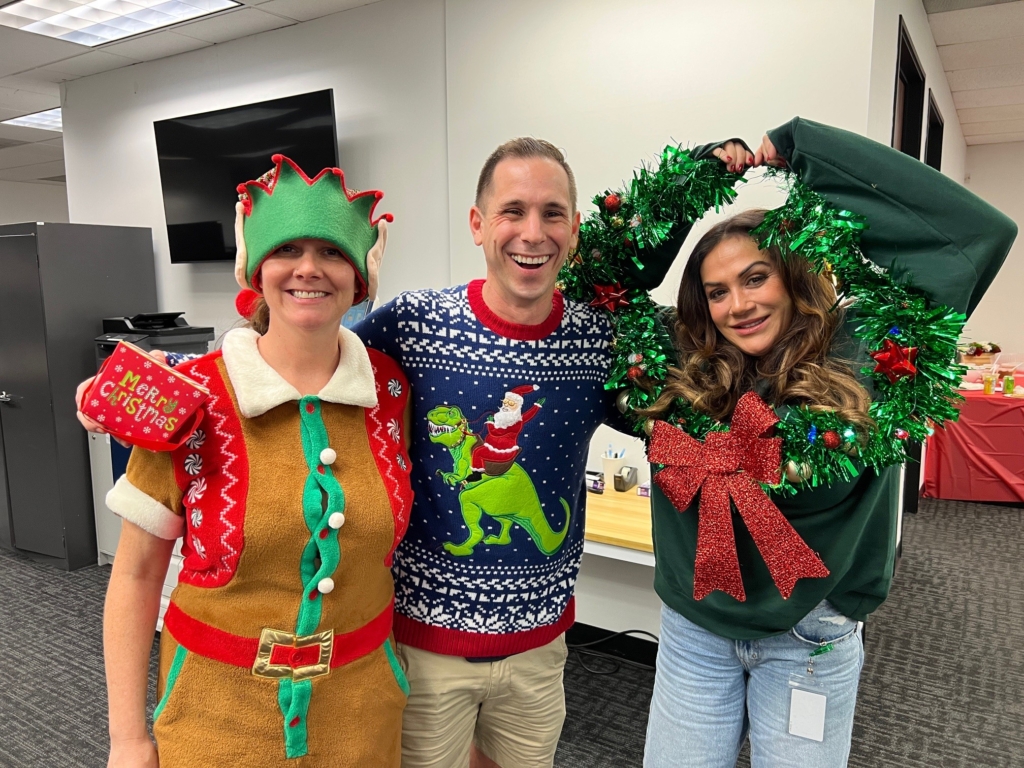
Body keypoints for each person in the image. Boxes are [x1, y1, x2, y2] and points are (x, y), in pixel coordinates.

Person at [352, 135, 746, 768]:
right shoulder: (414, 324)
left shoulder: (598, 338)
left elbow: (692, 407)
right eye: (512, 211)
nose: (532, 233)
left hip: (540, 644)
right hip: (424, 645)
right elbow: (310, 373)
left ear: (575, 228)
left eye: (552, 213)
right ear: (478, 224)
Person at [638, 119, 1015, 767]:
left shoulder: (868, 351)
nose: (737, 306)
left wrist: (807, 151)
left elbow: (972, 235)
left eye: (756, 278)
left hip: (810, 636)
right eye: (717, 292)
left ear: (792, 274)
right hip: (695, 631)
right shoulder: (683, 362)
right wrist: (691, 180)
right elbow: (594, 289)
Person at [91, 155, 414, 767]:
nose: (309, 268)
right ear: (256, 269)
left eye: (332, 252)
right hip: (215, 719)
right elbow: (135, 577)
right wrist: (127, 739)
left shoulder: (391, 392)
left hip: (362, 717)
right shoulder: (189, 398)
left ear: (360, 276)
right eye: (286, 249)